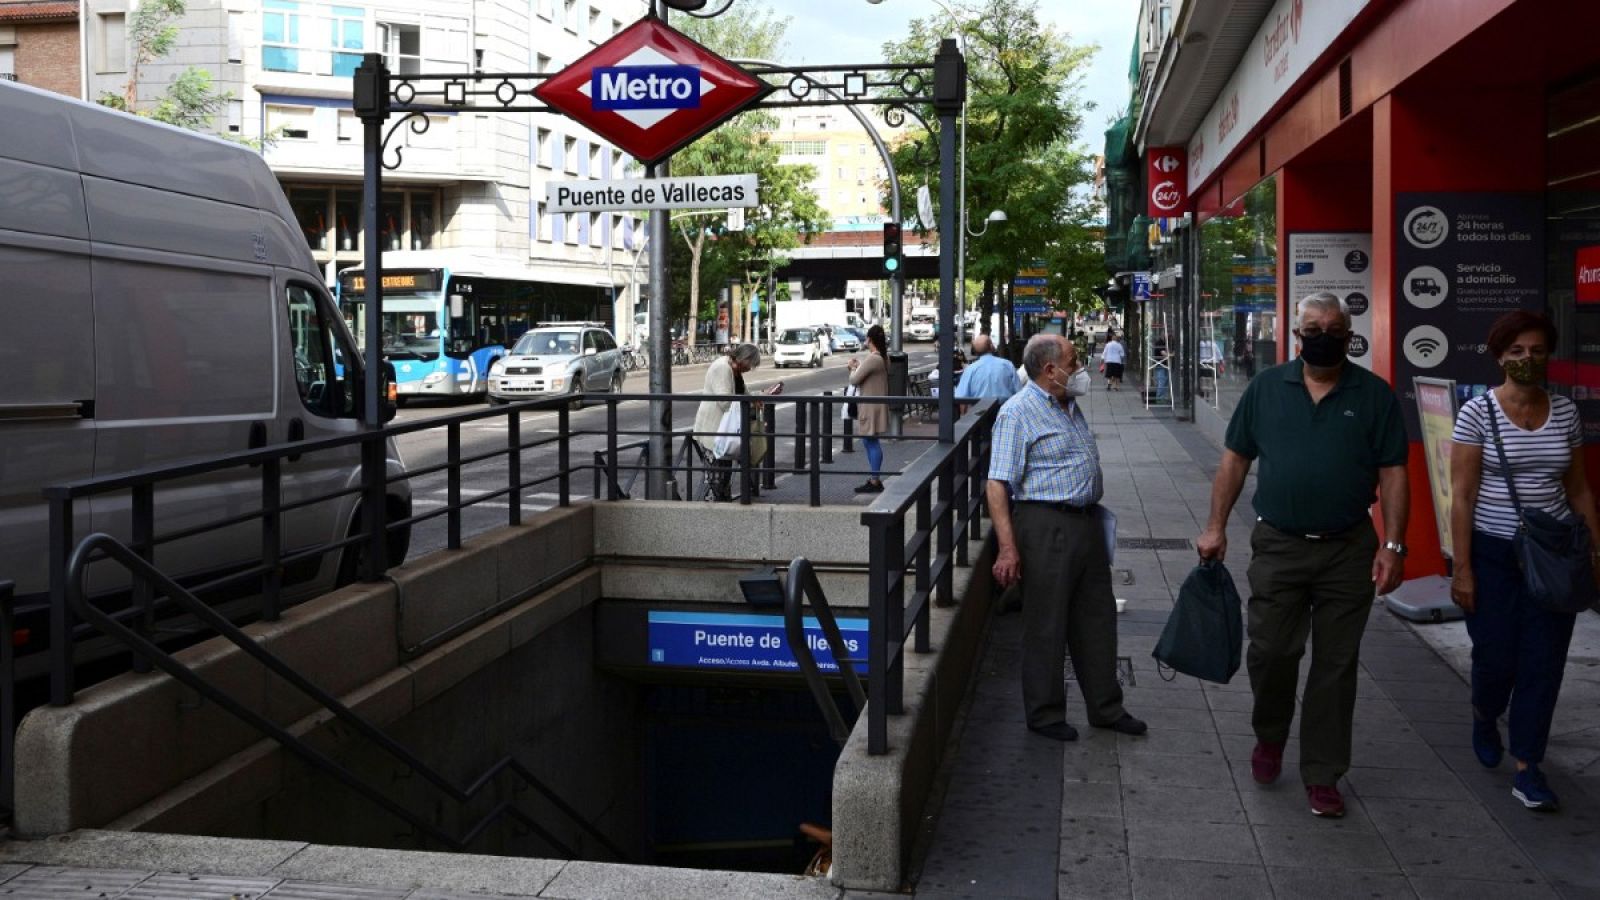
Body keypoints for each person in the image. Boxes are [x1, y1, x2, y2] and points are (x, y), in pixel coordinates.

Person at [1195, 291, 1408, 819]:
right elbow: (1235, 460)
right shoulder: (1267, 389)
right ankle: (1270, 736)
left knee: (1335, 666)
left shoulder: (1374, 395)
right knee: (1270, 651)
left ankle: (1323, 771)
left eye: (1334, 329)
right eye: (1313, 328)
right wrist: (1215, 527)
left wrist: (1393, 545)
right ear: (1296, 335)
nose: (1323, 336)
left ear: (1349, 333)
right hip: (1279, 544)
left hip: (1347, 548)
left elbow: (1393, 473)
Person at [1449, 310, 1599, 812]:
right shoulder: (1477, 413)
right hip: (1493, 553)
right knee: (1496, 657)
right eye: (1516, 352)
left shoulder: (1564, 412)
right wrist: (1463, 568)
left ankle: (1528, 765)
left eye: (1536, 351)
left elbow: (1577, 487)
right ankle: (1485, 711)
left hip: (1553, 553)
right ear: (1499, 357)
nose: (1528, 360)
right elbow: (1463, 495)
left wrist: (1595, 551)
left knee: (1543, 662)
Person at [988, 334, 1146, 742]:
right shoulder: (1018, 412)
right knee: (1046, 622)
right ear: (1050, 370)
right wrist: (1007, 548)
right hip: (1045, 524)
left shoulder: (1067, 405)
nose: (1080, 368)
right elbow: (997, 484)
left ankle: (1106, 707)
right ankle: (1044, 713)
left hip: (1085, 522)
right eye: (1074, 361)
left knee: (1097, 616)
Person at [693, 343, 775, 501]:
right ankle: (712, 508)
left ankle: (722, 505)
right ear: (744, 359)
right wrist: (750, 403)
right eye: (750, 365)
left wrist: (758, 396)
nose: (749, 369)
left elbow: (744, 394)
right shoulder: (723, 368)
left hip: (724, 432)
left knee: (722, 476)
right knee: (716, 478)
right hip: (713, 431)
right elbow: (725, 402)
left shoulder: (734, 370)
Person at [848, 325, 890, 493]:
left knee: (870, 442)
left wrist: (852, 367)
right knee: (871, 441)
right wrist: (860, 366)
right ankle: (875, 478)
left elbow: (854, 379)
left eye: (866, 338)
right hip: (878, 405)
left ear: (869, 340)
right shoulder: (884, 357)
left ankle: (874, 480)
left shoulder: (873, 358)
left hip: (870, 406)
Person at [955, 334, 1023, 401]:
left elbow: (960, 397)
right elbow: (1019, 393)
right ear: (991, 346)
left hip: (979, 411)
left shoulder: (970, 370)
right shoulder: (1007, 365)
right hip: (1005, 409)